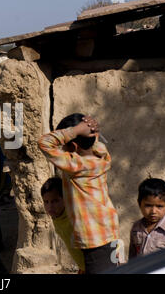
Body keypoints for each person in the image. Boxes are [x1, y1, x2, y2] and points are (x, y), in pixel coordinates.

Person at [38, 113, 119, 274]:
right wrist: (90, 131)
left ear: (73, 147)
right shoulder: (101, 156)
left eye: (64, 146)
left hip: (95, 240)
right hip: (106, 233)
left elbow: (44, 143)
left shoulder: (77, 166)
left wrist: (75, 130)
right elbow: (94, 144)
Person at [129, 178, 165, 262]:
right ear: (139, 204)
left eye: (159, 206)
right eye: (148, 205)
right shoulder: (136, 228)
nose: (153, 211)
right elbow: (132, 258)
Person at [41, 177, 85, 273]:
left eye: (55, 201)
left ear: (65, 198)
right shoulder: (57, 217)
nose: (50, 207)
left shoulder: (74, 218)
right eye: (46, 202)